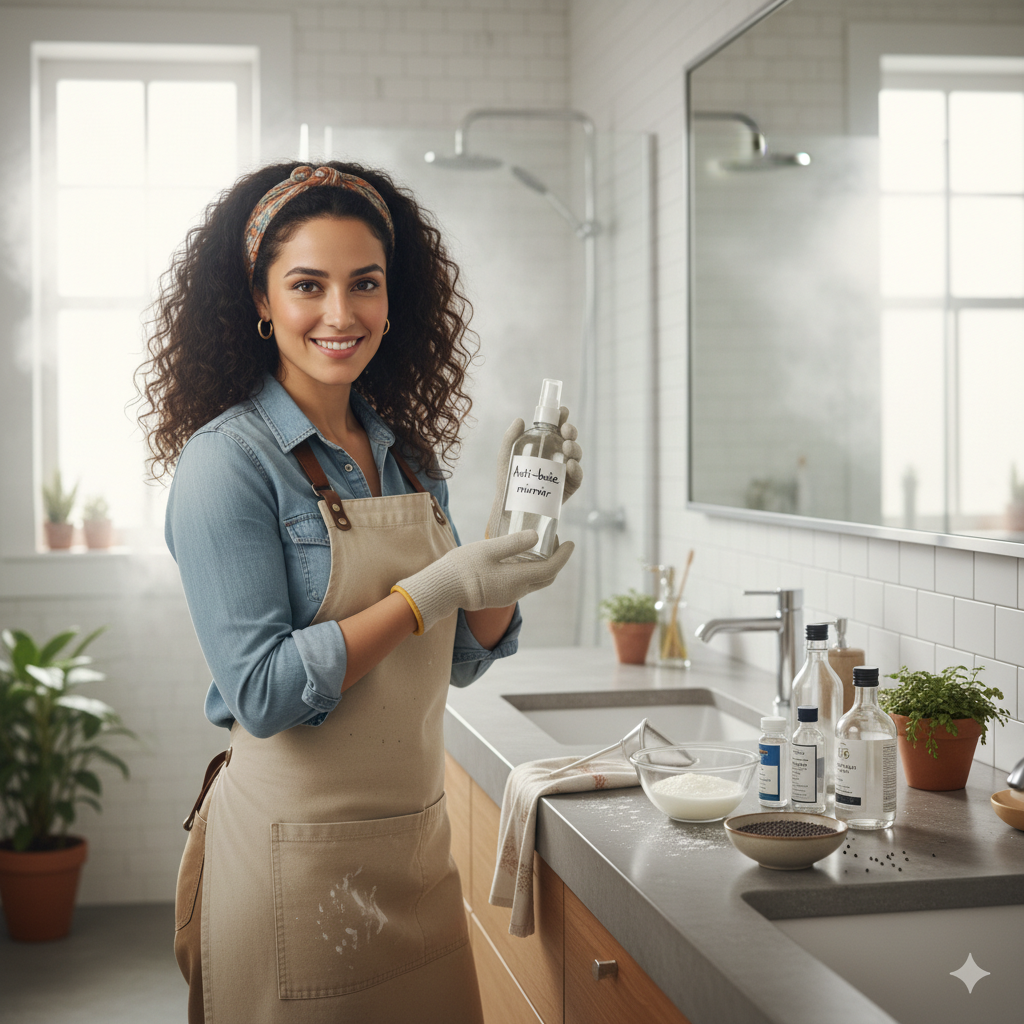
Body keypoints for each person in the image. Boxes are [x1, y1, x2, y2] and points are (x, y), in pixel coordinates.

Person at [139, 162, 582, 1024]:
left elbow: (458, 658)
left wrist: (508, 533)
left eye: (364, 284)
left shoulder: (406, 457)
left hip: (416, 854)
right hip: (290, 869)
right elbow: (262, 693)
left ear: (392, 299)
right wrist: (432, 585)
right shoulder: (227, 463)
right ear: (261, 302)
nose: (341, 315)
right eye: (308, 285)